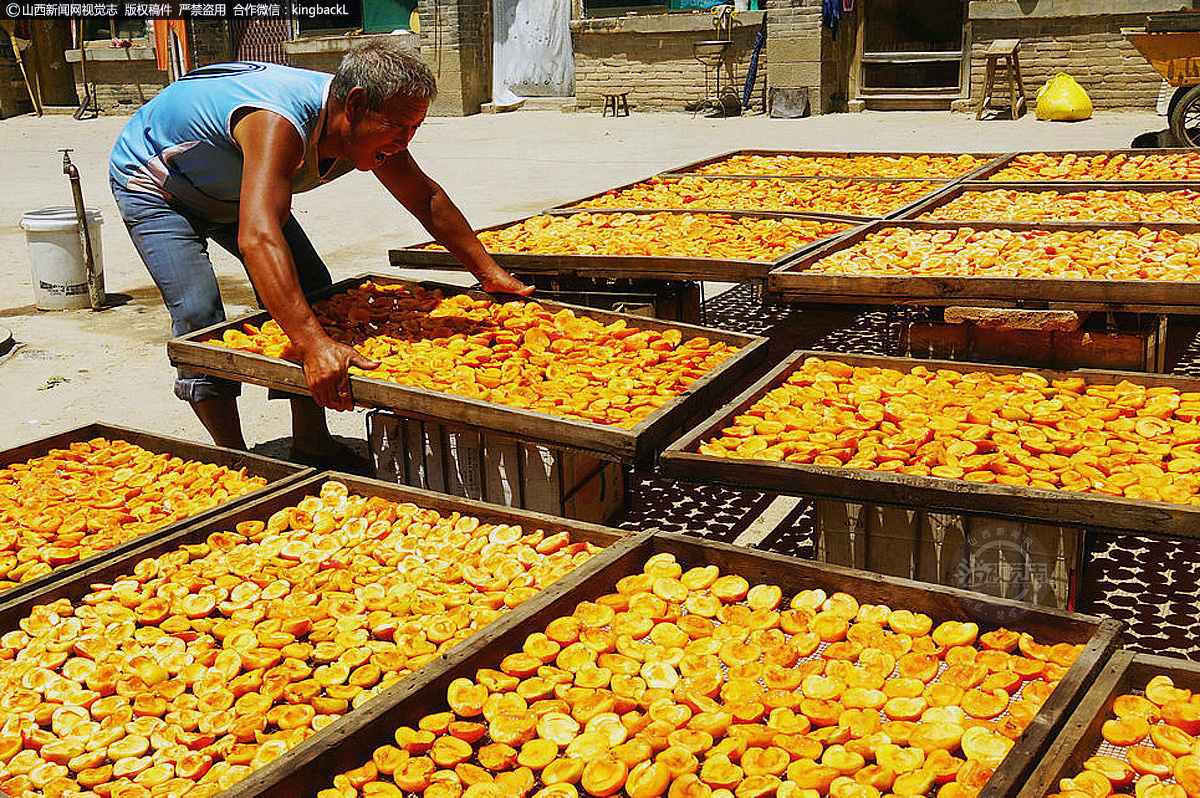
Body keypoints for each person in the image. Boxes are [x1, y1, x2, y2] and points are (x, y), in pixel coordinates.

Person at [109, 39, 531, 469]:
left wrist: (490, 273)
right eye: (398, 126)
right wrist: (313, 345)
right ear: (355, 104)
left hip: (242, 188)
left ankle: (311, 443)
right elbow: (257, 237)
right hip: (160, 187)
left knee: (313, 293)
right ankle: (236, 460)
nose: (404, 141)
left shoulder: (371, 128)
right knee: (200, 312)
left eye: (415, 129)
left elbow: (424, 198)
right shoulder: (279, 124)